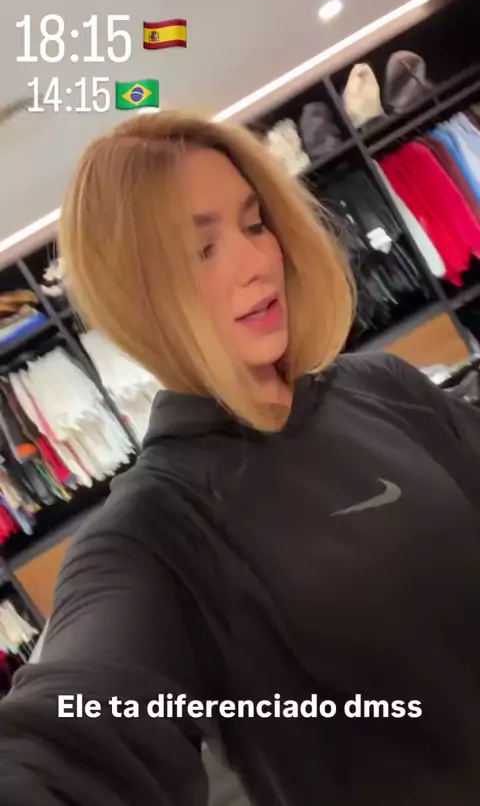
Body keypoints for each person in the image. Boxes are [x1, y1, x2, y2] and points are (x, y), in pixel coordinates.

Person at [1, 111, 480, 806]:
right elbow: (74, 731)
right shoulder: (152, 531)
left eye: (254, 225)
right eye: (202, 250)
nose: (258, 261)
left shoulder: (383, 384)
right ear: (138, 292)